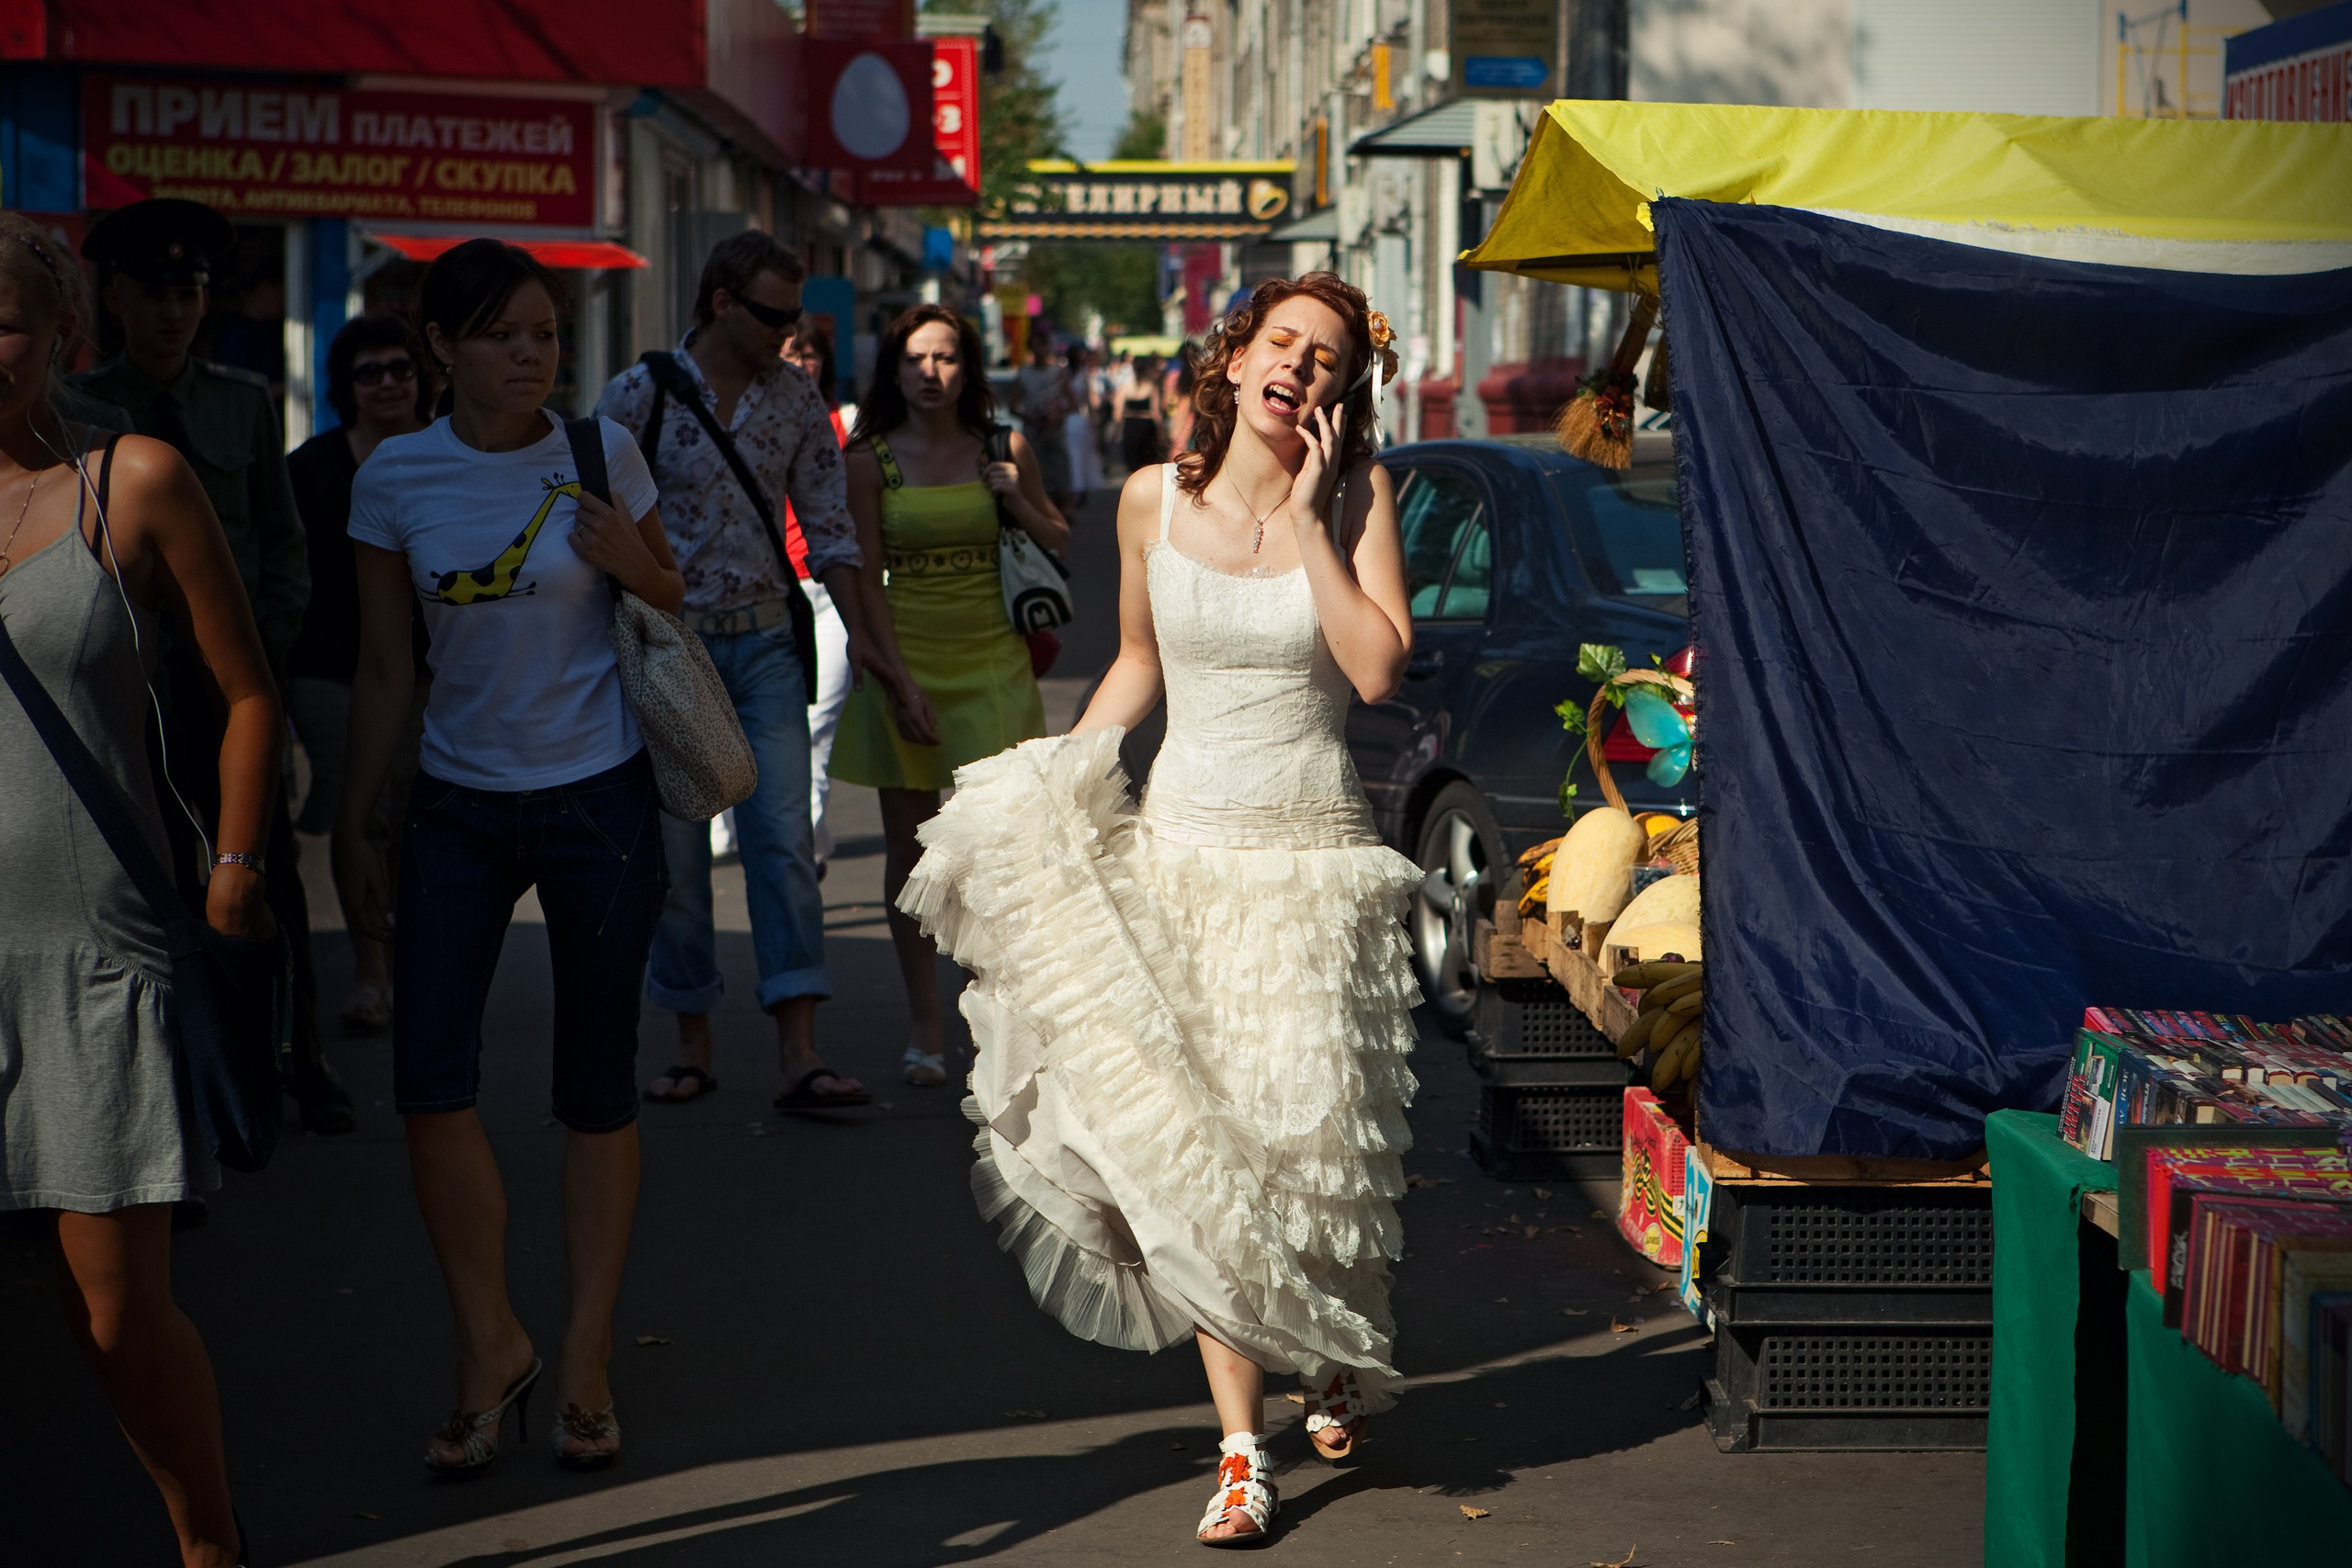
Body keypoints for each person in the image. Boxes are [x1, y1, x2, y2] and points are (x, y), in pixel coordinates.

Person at [897, 274, 1416, 1545]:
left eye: (1328, 358)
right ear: (1235, 358)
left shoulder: (1354, 500)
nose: (1300, 366)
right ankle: (1243, 1448)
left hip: (1311, 868)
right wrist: (1066, 771)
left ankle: (1325, 1340)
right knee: (1204, 1163)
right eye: (1282, 342)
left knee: (1311, 1147)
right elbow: (1136, 657)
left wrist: (1305, 518)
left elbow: (1375, 664)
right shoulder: (1148, 499)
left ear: (1343, 394)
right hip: (1179, 856)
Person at [334, 240, 681, 1475]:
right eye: (503, 333)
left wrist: (630, 559)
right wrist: (354, 820)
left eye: (545, 331)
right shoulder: (396, 478)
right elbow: (387, 664)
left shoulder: (602, 452)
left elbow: (669, 594)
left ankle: (583, 1350)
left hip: (596, 798)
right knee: (430, 1079)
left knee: (596, 1083)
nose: (532, 352)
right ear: (442, 346)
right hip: (455, 806)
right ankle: (491, 1343)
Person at [0, 210, 263, 1568]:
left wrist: (229, 869)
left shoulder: (133, 481)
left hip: (91, 947)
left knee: (112, 1314)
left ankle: (206, 1537)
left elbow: (247, 693)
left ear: (58, 338)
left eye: (3, 321)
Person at [596, 234, 921, 1111]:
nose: (790, 330)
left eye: (797, 315)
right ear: (720, 302)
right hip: (672, 648)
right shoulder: (637, 395)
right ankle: (691, 1042)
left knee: (783, 847)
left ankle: (800, 1051)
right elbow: (590, 521)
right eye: (775, 313)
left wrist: (878, 656)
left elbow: (832, 533)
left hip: (771, 642)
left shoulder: (796, 400)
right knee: (679, 853)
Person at [72, 198, 354, 1140]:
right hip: (123, 685)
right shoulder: (81, 414)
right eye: (154, 292)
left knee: (261, 869)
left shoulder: (241, 403)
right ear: (113, 297)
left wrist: (260, 657)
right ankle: (173, 1082)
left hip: (229, 684)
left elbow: (286, 552)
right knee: (145, 876)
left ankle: (297, 1060)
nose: (174, 312)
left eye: (190, 293)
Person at [830, 305, 1067, 1088]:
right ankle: (924, 1020)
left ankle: (995, 1008)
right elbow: (861, 573)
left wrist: (1018, 499)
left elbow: (1057, 537)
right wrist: (895, 680)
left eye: (946, 357)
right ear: (893, 369)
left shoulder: (1004, 446)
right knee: (911, 853)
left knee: (1001, 850)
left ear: (970, 367)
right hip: (907, 655)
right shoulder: (868, 457)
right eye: (915, 358)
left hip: (994, 658)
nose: (930, 373)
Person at [284, 314, 433, 1036]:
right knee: (358, 806)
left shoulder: (452, 458)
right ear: (346, 387)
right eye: (369, 372)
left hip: (435, 669)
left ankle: (410, 963)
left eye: (401, 367)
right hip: (331, 669)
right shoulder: (311, 469)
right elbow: (288, 576)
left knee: (411, 816)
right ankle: (372, 976)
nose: (388, 383)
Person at [783, 320, 855, 873]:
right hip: (768, 593)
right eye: (791, 352)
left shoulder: (847, 422)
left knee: (815, 723)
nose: (802, 363)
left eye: (810, 354)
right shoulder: (741, 422)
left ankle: (803, 846)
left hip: (831, 592)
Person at [1014, 333, 1073, 513]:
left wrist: (1056, 414)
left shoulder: (1058, 373)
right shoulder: (1024, 374)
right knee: (1033, 469)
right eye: (1035, 346)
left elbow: (1072, 402)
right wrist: (1030, 417)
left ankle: (1066, 506)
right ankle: (1037, 506)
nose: (1039, 350)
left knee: (1061, 468)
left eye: (1042, 345)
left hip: (1055, 430)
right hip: (1034, 431)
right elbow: (1013, 404)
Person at [1062, 343, 1104, 514]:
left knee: (1077, 455)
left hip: (1077, 419)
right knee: (1075, 455)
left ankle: (1077, 487)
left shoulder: (1078, 375)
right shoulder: (1069, 375)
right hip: (1073, 419)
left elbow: (1088, 401)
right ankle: (1075, 488)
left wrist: (1094, 424)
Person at [1118, 353, 1165, 473]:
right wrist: (1161, 432)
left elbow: (1118, 412)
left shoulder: (1125, 387)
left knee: (1133, 463)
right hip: (1146, 426)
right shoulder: (1151, 387)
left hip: (1130, 425)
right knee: (1147, 464)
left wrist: (1118, 428)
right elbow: (1156, 412)